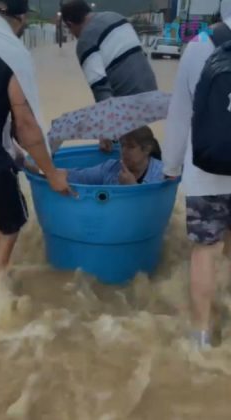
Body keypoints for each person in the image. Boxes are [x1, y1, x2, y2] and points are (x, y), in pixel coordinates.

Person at [0, 0, 72, 273]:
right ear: (22, 17)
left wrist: (23, 159)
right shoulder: (12, 52)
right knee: (11, 224)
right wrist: (52, 173)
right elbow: (26, 125)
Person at [162, 0, 231, 350]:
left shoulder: (201, 44)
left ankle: (200, 335)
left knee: (206, 250)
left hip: (206, 173)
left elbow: (179, 113)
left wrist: (171, 167)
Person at [60, 0, 158, 153]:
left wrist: (105, 130)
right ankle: (152, 161)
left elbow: (100, 87)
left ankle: (145, 163)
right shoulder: (116, 17)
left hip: (127, 99)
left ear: (69, 24)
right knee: (138, 141)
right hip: (150, 88)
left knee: (128, 148)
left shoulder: (85, 41)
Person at [27, 126, 165, 185]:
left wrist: (133, 188)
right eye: (122, 145)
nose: (123, 151)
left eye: (130, 146)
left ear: (147, 149)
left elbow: (156, 209)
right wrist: (45, 170)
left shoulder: (161, 172)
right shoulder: (111, 168)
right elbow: (77, 176)